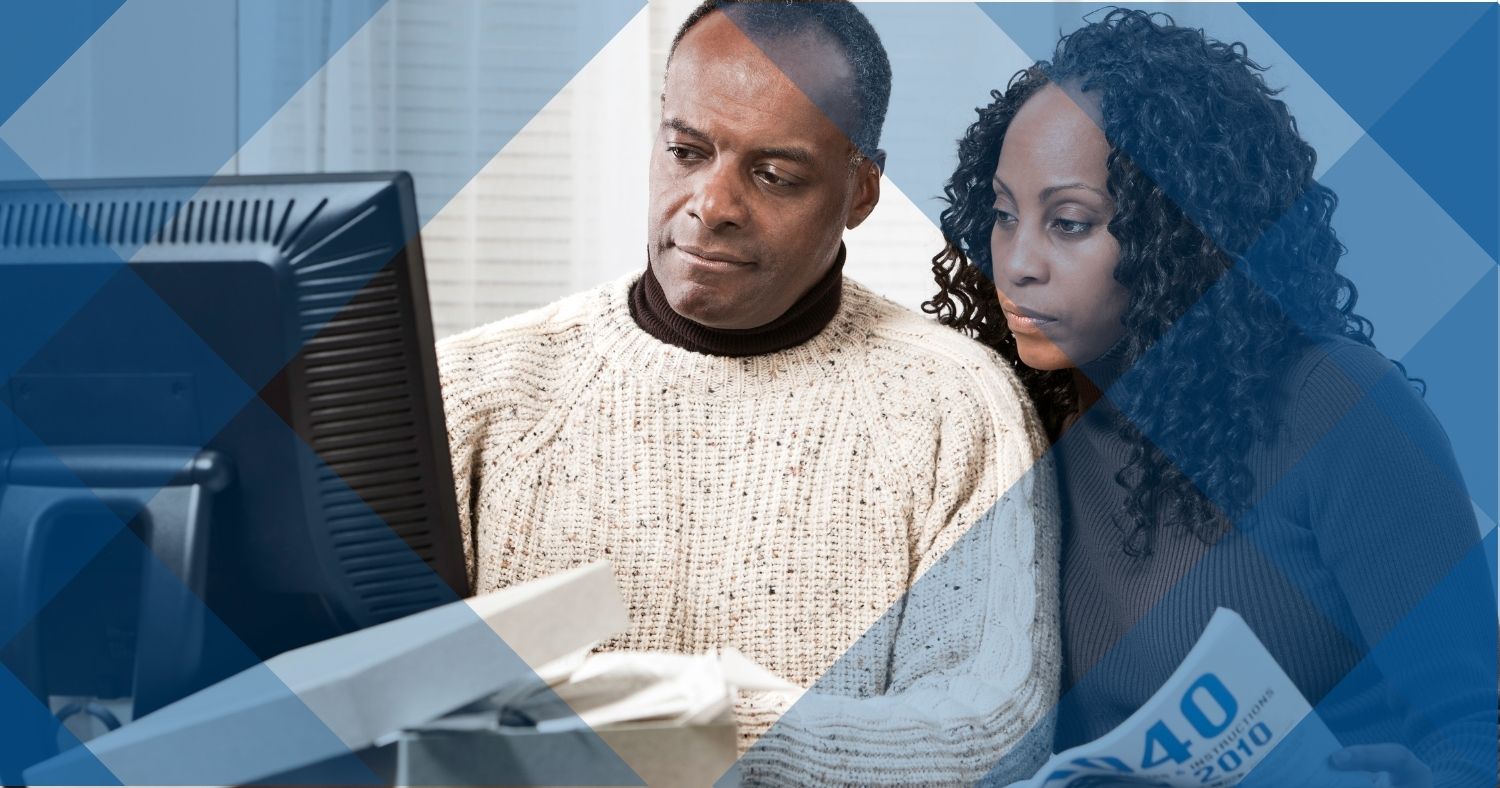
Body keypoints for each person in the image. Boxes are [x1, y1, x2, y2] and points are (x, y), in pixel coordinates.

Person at [437, 1, 1058, 783]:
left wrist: (712, 727)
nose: (712, 206)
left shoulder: (956, 406)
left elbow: (991, 725)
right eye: (688, 152)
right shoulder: (469, 393)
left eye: (773, 175)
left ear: (861, 191)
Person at [927, 9, 1494, 787]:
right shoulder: (1018, 422)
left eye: (1069, 223)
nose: (1017, 262)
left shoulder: (1337, 408)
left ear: (1181, 232)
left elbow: (1476, 721)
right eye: (1000, 213)